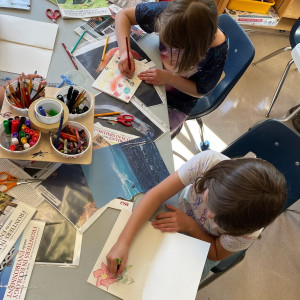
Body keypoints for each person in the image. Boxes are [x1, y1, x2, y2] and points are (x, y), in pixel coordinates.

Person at [106, 150, 287, 280]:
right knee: (136, 223)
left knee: (172, 280)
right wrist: (123, 242)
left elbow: (215, 252)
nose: (208, 215)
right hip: (179, 206)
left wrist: (190, 226)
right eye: (209, 203)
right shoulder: (207, 162)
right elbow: (157, 194)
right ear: (214, 177)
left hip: (206, 243)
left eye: (219, 221)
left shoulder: (248, 230)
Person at [114, 0, 228, 137]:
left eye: (175, 47)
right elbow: (123, 15)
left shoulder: (217, 52)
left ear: (195, 45)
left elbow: (200, 91)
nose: (169, 50)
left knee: (141, 135)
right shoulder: (168, 13)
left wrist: (169, 78)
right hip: (151, 72)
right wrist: (124, 51)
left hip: (177, 99)